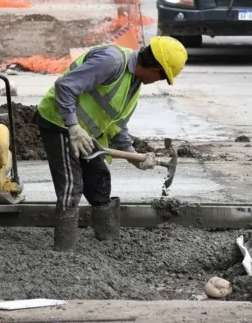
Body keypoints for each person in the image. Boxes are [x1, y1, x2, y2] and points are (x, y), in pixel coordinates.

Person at [34, 37, 187, 251]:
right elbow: (65, 86)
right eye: (162, 77)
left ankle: (108, 243)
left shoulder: (134, 84)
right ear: (154, 69)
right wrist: (73, 128)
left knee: (99, 179)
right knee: (71, 184)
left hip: (85, 134)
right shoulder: (112, 62)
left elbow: (118, 127)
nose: (158, 81)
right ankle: (64, 250)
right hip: (59, 123)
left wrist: (134, 156)